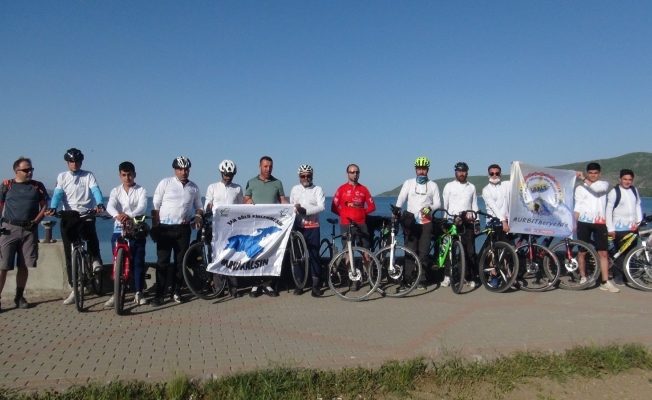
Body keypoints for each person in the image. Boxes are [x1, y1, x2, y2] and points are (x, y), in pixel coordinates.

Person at [48, 148, 105, 305]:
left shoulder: (88, 175)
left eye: (78, 161)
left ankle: (95, 259)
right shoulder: (62, 177)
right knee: (69, 252)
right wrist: (53, 207)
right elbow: (58, 194)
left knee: (91, 235)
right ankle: (75, 288)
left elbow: (96, 190)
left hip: (86, 212)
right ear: (67, 163)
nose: (75, 164)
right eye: (72, 161)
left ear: (81, 162)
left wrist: (100, 203)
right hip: (69, 215)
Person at [150, 156, 203, 306]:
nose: (183, 172)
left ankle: (176, 291)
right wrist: (155, 226)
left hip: (183, 229)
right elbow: (155, 205)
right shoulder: (165, 183)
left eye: (186, 169)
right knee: (162, 262)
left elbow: (199, 206)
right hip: (165, 228)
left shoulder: (193, 187)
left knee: (180, 263)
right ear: (175, 170)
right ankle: (159, 295)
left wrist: (198, 216)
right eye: (180, 169)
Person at [0, 157, 49, 311]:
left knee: (24, 265)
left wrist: (35, 222)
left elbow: (45, 206)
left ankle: (19, 296)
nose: (29, 172)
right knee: (3, 266)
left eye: (31, 169)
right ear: (17, 171)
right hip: (9, 228)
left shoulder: (37, 186)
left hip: (29, 230)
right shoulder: (7, 185)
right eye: (26, 170)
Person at [243, 156, 289, 298]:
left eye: (270, 166)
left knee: (270, 254)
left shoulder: (277, 183)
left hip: (271, 226)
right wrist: (247, 200)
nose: (268, 169)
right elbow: (245, 198)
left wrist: (292, 208)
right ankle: (255, 284)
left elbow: (282, 200)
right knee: (255, 253)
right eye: (265, 166)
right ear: (260, 167)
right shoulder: (251, 182)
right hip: (255, 225)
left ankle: (268, 284)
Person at [104, 162, 149, 307]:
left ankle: (139, 292)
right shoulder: (115, 191)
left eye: (129, 174)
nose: (127, 178)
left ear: (134, 174)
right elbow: (110, 206)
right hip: (119, 229)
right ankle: (116, 292)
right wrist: (117, 215)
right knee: (117, 262)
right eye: (124, 175)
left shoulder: (141, 190)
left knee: (138, 261)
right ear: (120, 175)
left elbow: (142, 207)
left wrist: (128, 215)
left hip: (136, 229)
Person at [394, 157, 441, 291]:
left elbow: (438, 203)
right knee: (410, 251)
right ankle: (408, 279)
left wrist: (430, 207)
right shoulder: (408, 183)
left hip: (426, 222)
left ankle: (422, 280)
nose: (421, 171)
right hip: (411, 222)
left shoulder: (433, 185)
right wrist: (397, 209)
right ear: (415, 170)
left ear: (427, 170)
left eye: (424, 169)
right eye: (419, 169)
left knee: (424, 253)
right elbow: (401, 197)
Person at [574, 162, 617, 292]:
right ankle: (583, 277)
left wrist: (583, 178)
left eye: (595, 173)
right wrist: (574, 222)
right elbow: (578, 206)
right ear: (588, 173)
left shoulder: (604, 184)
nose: (593, 175)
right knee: (582, 252)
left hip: (600, 223)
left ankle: (605, 281)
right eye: (590, 173)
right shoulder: (580, 188)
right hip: (584, 223)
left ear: (599, 173)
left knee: (603, 253)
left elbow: (596, 189)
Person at [205, 159, 244, 298]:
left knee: (232, 256)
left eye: (231, 175)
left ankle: (233, 288)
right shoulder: (213, 187)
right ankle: (219, 287)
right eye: (226, 174)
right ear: (221, 173)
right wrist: (209, 206)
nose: (228, 177)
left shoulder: (237, 188)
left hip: (232, 228)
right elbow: (206, 204)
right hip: (216, 227)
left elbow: (241, 208)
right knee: (217, 257)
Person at [289, 164, 325, 297]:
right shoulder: (295, 189)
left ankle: (315, 285)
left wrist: (306, 211)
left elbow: (322, 207)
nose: (305, 178)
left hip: (313, 227)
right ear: (299, 177)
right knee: (297, 257)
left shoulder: (317, 189)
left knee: (314, 256)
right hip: (298, 228)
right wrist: (295, 208)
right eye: (303, 176)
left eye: (308, 176)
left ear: (312, 176)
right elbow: (291, 206)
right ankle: (299, 284)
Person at [330, 164, 376, 268]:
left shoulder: (363, 189)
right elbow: (333, 207)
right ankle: (350, 276)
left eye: (357, 172)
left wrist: (362, 213)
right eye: (352, 172)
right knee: (348, 252)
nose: (355, 174)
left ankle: (368, 276)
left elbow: (372, 206)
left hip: (361, 224)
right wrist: (344, 214)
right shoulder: (341, 189)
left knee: (365, 252)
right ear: (347, 174)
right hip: (346, 224)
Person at [442, 162, 479, 288]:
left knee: (470, 250)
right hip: (452, 221)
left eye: (463, 171)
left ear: (467, 172)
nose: (461, 173)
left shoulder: (471, 187)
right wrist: (444, 220)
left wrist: (477, 221)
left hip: (467, 222)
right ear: (455, 172)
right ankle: (447, 276)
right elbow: (445, 204)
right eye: (459, 171)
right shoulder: (449, 186)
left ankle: (468, 277)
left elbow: (474, 205)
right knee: (450, 250)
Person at [606, 169, 642, 286]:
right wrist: (610, 228)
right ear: (620, 179)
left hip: (632, 228)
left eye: (630, 180)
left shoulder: (634, 190)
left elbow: (637, 206)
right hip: (619, 228)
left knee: (630, 253)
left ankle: (627, 275)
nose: (627, 182)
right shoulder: (614, 192)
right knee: (619, 254)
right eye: (625, 179)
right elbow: (608, 211)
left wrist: (639, 221)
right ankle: (618, 276)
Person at [481, 164, 512, 288]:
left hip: (506, 223)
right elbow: (493, 207)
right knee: (492, 251)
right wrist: (503, 220)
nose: (494, 175)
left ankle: (507, 274)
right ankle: (493, 275)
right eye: (492, 173)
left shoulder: (506, 185)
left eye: (497, 173)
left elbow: (519, 181)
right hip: (493, 223)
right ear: (488, 175)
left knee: (507, 251)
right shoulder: (486, 190)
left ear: (501, 174)